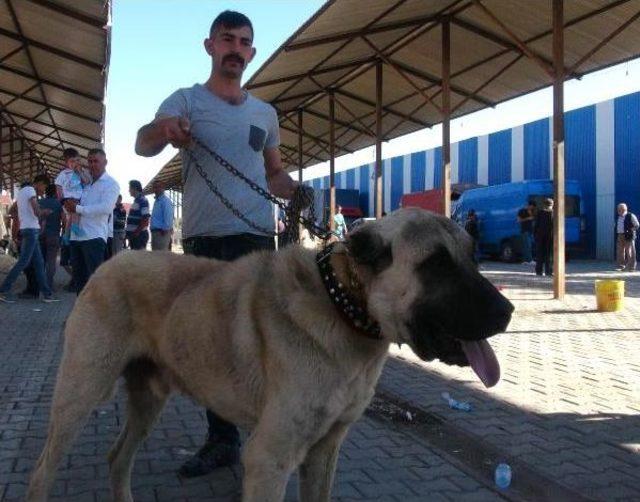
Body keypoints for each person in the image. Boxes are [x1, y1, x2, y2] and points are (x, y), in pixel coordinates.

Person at [135, 10, 311, 478]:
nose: (235, 48)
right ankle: (221, 441)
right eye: (227, 39)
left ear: (252, 53)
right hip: (204, 242)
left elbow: (272, 173)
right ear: (210, 46)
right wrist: (164, 131)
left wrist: (295, 190)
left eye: (244, 42)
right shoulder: (187, 100)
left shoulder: (264, 114)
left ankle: (265, 439)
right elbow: (142, 144)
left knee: (260, 342)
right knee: (213, 343)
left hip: (258, 240)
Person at [64, 148, 120, 293]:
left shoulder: (111, 184)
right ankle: (82, 314)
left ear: (105, 162)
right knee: (80, 283)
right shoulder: (86, 183)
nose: (92, 164)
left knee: (96, 284)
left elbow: (106, 208)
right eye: (89, 161)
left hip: (93, 238)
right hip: (77, 236)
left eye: (96, 161)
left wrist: (78, 208)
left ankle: (100, 314)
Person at [0, 175, 59, 303]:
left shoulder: (21, 192)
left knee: (39, 264)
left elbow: (12, 210)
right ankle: (3, 290)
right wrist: (45, 212)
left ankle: (47, 294)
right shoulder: (31, 191)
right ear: (39, 183)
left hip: (28, 230)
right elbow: (37, 212)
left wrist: (23, 216)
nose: (43, 191)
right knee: (23, 262)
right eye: (44, 187)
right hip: (31, 231)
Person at [55, 148, 91, 241]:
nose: (75, 163)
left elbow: (86, 182)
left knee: (72, 217)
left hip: (78, 199)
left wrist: (80, 172)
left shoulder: (80, 172)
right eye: (72, 161)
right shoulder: (64, 173)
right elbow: (58, 186)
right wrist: (61, 200)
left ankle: (67, 235)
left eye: (77, 160)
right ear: (66, 163)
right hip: (69, 199)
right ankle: (74, 232)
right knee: (74, 216)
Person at [38, 183, 63, 291]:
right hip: (53, 235)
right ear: (55, 192)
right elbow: (65, 220)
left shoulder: (40, 202)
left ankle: (40, 284)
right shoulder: (58, 204)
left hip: (40, 235)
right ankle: (49, 285)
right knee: (51, 261)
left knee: (41, 261)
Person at [126, 180, 150, 250]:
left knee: (139, 259)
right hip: (135, 236)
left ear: (135, 188)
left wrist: (136, 233)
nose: (129, 190)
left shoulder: (143, 200)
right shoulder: (137, 201)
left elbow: (145, 219)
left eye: (130, 188)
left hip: (139, 236)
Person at [150, 180, 174, 250]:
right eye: (154, 187)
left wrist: (165, 229)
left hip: (161, 233)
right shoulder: (157, 201)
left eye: (158, 187)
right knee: (156, 257)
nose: (156, 189)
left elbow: (169, 216)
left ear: (163, 188)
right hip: (156, 233)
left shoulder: (165, 201)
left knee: (161, 257)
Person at [615, 202, 639, 272]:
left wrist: (631, 230)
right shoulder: (618, 216)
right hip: (620, 235)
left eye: (619, 209)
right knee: (620, 251)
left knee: (630, 251)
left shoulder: (630, 215)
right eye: (618, 209)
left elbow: (637, 225)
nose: (618, 211)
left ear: (624, 209)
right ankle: (621, 266)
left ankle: (631, 267)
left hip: (629, 235)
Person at [534, 198, 554, 277]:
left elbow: (536, 225)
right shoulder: (554, 213)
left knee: (539, 254)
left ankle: (539, 271)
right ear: (552, 205)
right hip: (550, 236)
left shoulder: (540, 213)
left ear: (544, 205)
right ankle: (548, 271)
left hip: (540, 236)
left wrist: (535, 235)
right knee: (549, 254)